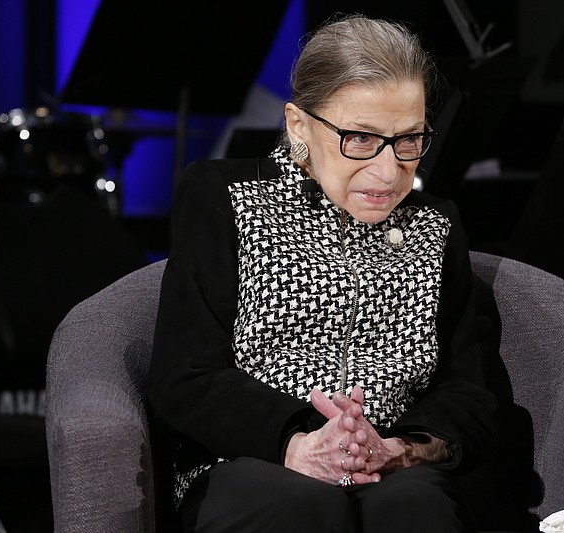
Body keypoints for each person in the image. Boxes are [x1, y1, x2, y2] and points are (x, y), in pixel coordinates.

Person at [147, 14, 499, 532]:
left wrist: (397, 449)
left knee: (415, 509)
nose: (388, 171)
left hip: (391, 468)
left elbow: (470, 393)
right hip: (250, 461)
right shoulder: (225, 197)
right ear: (298, 126)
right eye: (360, 138)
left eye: (409, 140)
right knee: (297, 508)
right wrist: (296, 441)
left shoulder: (435, 226)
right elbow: (185, 377)